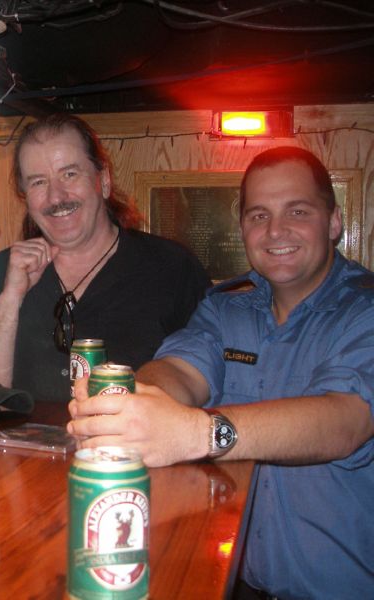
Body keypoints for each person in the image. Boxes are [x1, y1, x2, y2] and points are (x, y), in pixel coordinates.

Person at [68, 146, 374, 598]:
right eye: (258, 215)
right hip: (231, 584)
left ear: (333, 222)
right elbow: (181, 370)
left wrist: (198, 433)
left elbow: (343, 421)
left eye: (297, 211)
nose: (275, 231)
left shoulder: (364, 310)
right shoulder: (226, 306)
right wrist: (136, 402)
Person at [0, 114, 211, 401]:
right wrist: (9, 303)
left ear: (104, 180)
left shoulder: (173, 268)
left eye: (70, 174)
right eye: (38, 182)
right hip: (21, 447)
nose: (56, 197)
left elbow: (209, 376)